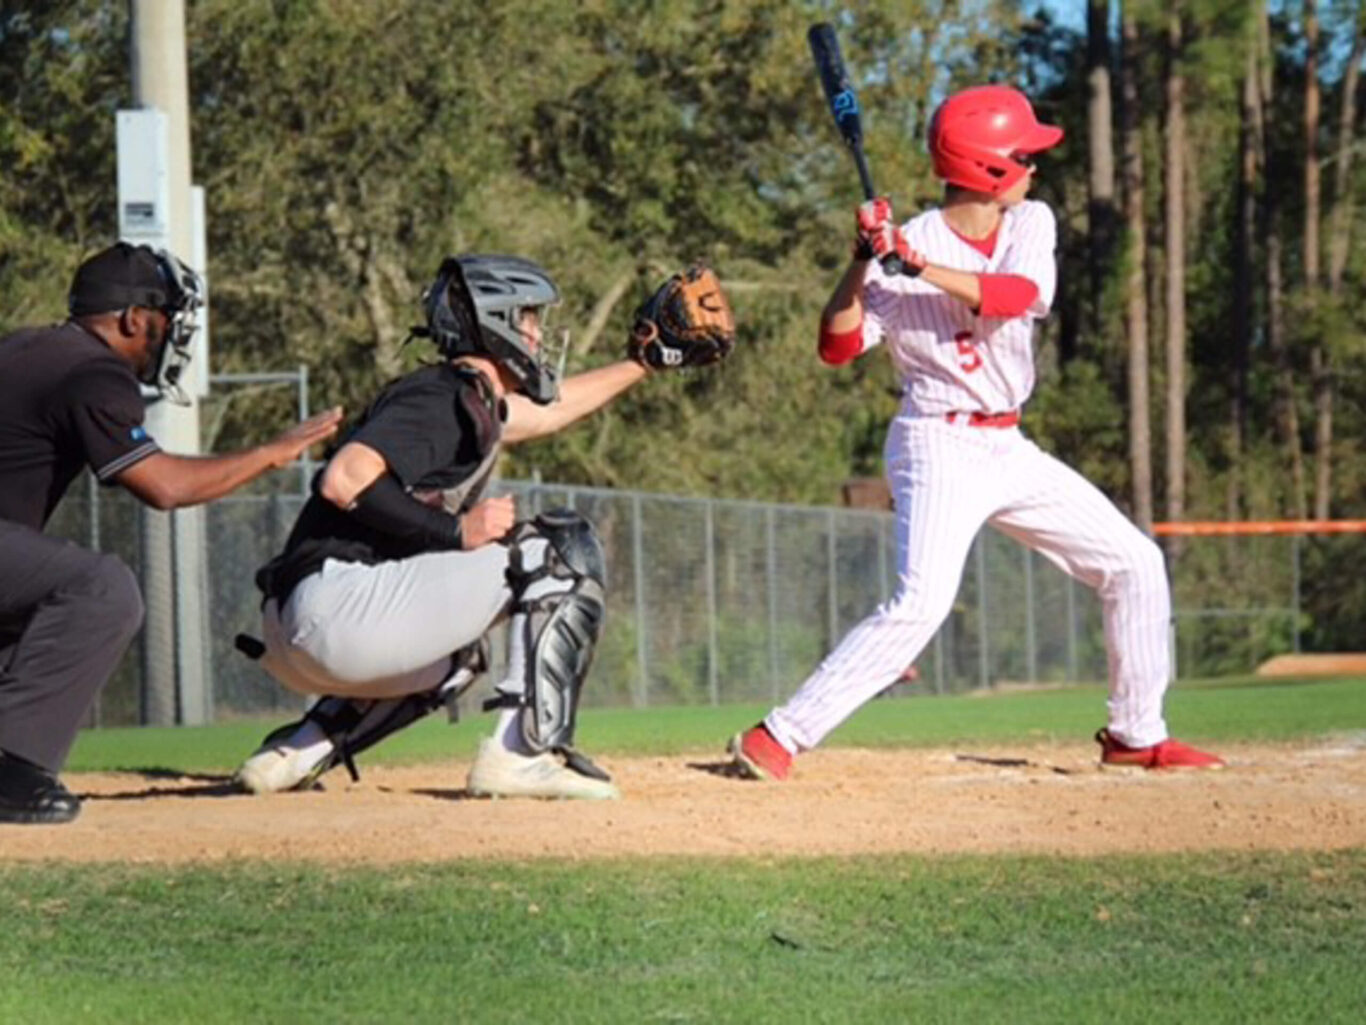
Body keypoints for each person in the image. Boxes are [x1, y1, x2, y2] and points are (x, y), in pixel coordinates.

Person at [727, 85, 1224, 781]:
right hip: (936, 442)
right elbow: (836, 346)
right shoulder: (905, 245)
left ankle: (1135, 734)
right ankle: (778, 735)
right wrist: (863, 259)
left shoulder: (1029, 223)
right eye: (1024, 155)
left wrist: (918, 265)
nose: (1035, 167)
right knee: (922, 601)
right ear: (989, 168)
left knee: (1134, 563)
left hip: (1007, 444)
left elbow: (1016, 296)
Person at [234, 254, 731, 800]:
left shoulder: (470, 400)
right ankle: (522, 754)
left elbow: (550, 413)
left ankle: (295, 752)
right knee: (560, 548)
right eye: (530, 318)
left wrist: (646, 361)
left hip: (304, 628)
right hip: (335, 608)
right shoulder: (442, 396)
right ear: (496, 321)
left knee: (461, 657)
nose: (540, 333)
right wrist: (455, 532)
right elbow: (345, 477)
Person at [0, 242, 343, 824]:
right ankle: (10, 767)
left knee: (24, 619)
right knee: (100, 589)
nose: (167, 338)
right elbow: (164, 486)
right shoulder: (94, 370)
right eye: (164, 322)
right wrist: (269, 453)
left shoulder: (24, 348)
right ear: (134, 318)